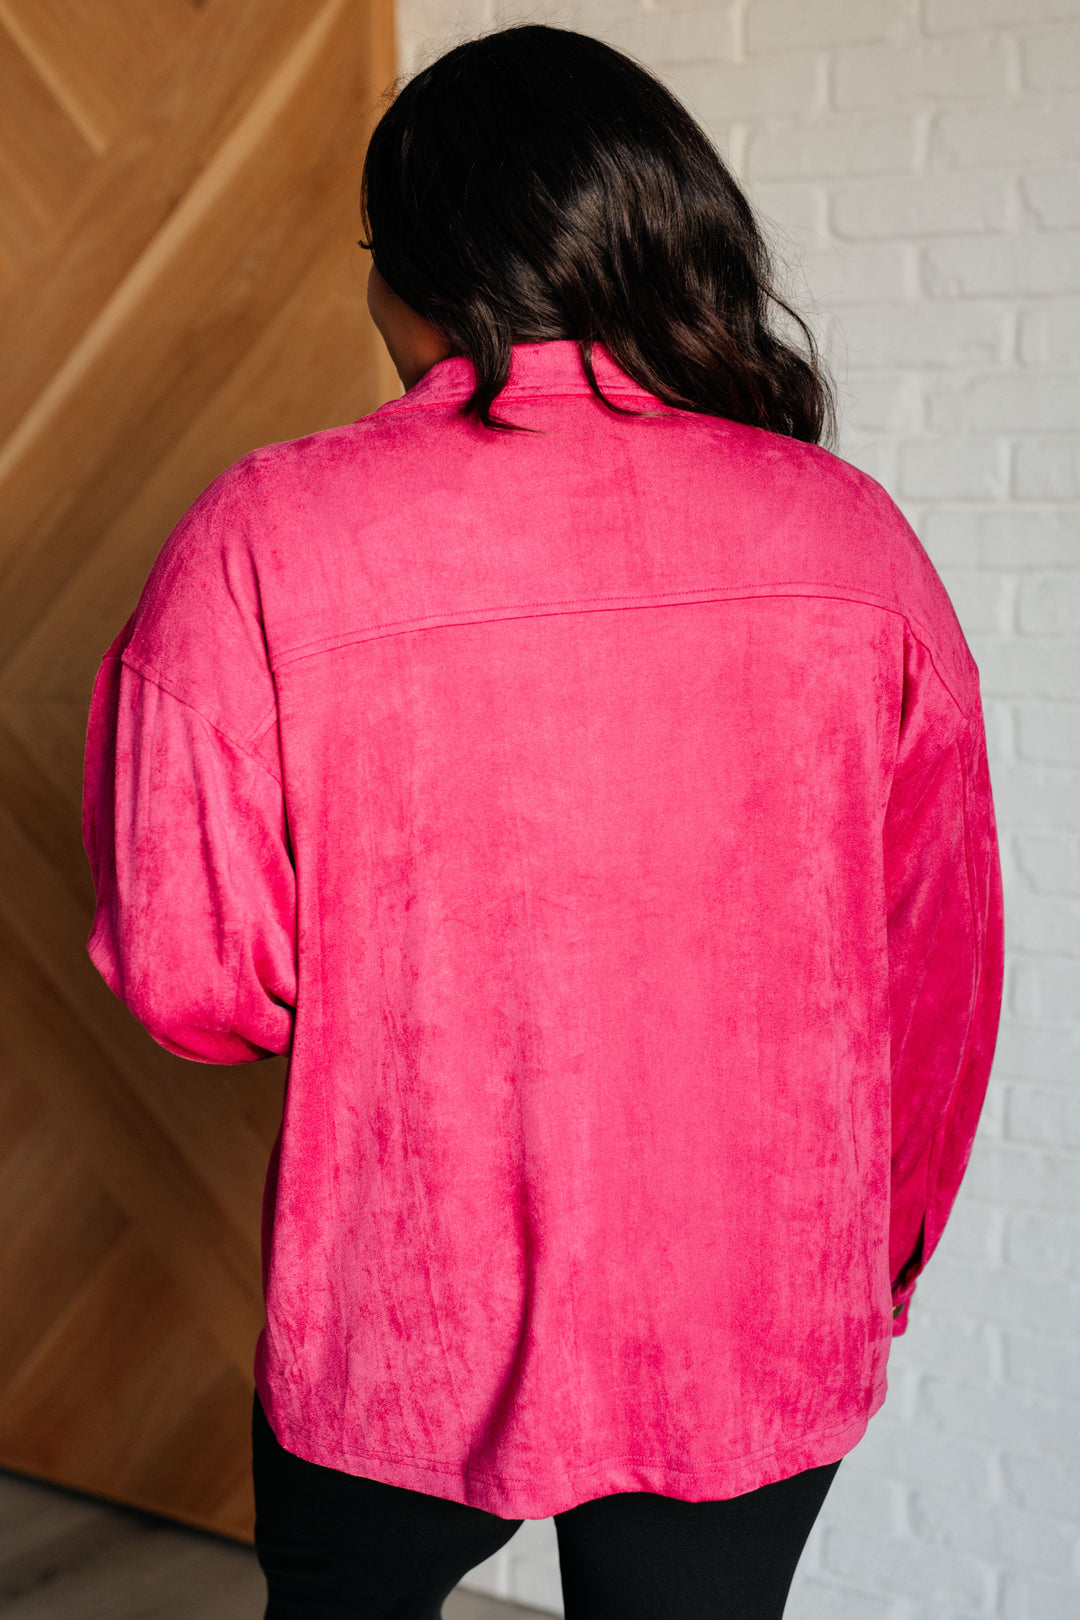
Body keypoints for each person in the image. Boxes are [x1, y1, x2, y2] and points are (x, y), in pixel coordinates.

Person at [82, 23, 1005, 1620]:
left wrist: (397, 994)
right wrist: (875, 1263)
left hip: (405, 1301)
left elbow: (191, 981)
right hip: (754, 1303)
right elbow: (937, 974)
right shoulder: (851, 537)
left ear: (421, 272)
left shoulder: (266, 533)